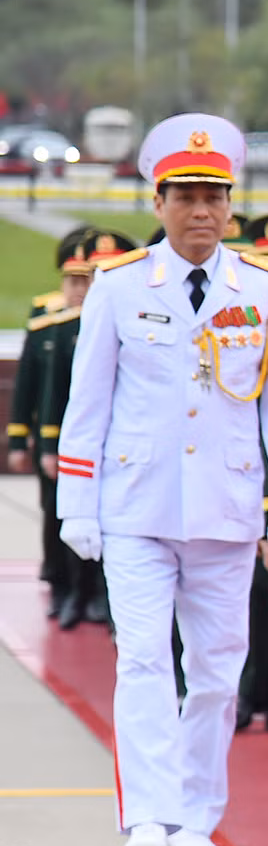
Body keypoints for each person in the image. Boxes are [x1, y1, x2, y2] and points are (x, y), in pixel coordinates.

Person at [55, 114, 268, 846]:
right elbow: (88, 403)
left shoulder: (264, 291)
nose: (202, 211)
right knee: (141, 661)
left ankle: (197, 817)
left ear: (231, 205)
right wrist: (78, 502)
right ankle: (147, 817)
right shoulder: (119, 286)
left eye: (215, 197)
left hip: (226, 512)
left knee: (215, 670)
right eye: (187, 196)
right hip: (137, 507)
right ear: (160, 201)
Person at [39, 230, 135, 631]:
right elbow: (57, 393)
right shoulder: (66, 327)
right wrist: (50, 444)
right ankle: (74, 592)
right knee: (73, 525)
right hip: (84, 445)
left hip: (126, 450)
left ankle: (105, 603)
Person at [12, 230, 88, 628]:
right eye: (73, 279)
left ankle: (90, 593)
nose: (79, 289)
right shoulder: (51, 321)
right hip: (58, 442)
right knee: (56, 515)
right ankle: (61, 584)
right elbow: (33, 385)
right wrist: (22, 436)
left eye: (87, 280)